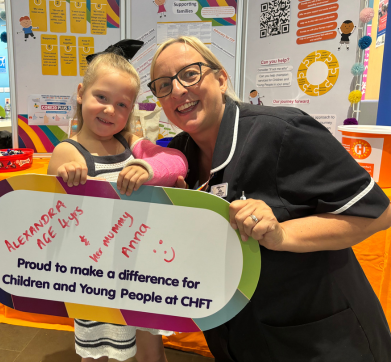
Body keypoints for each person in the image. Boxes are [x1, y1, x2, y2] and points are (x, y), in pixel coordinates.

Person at [148, 35, 391, 361]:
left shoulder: (281, 132)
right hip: (237, 337)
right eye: (163, 85)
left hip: (318, 339)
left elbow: (377, 213)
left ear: (221, 79)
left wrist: (282, 234)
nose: (177, 90)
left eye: (190, 74)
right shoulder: (175, 158)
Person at [47, 40, 188, 362]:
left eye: (123, 105)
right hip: (95, 273)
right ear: (81, 93)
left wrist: (148, 168)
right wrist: (64, 175)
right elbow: (49, 208)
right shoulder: (69, 151)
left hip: (139, 265)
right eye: (101, 98)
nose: (111, 110)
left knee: (150, 341)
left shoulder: (129, 142)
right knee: (102, 348)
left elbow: (177, 160)